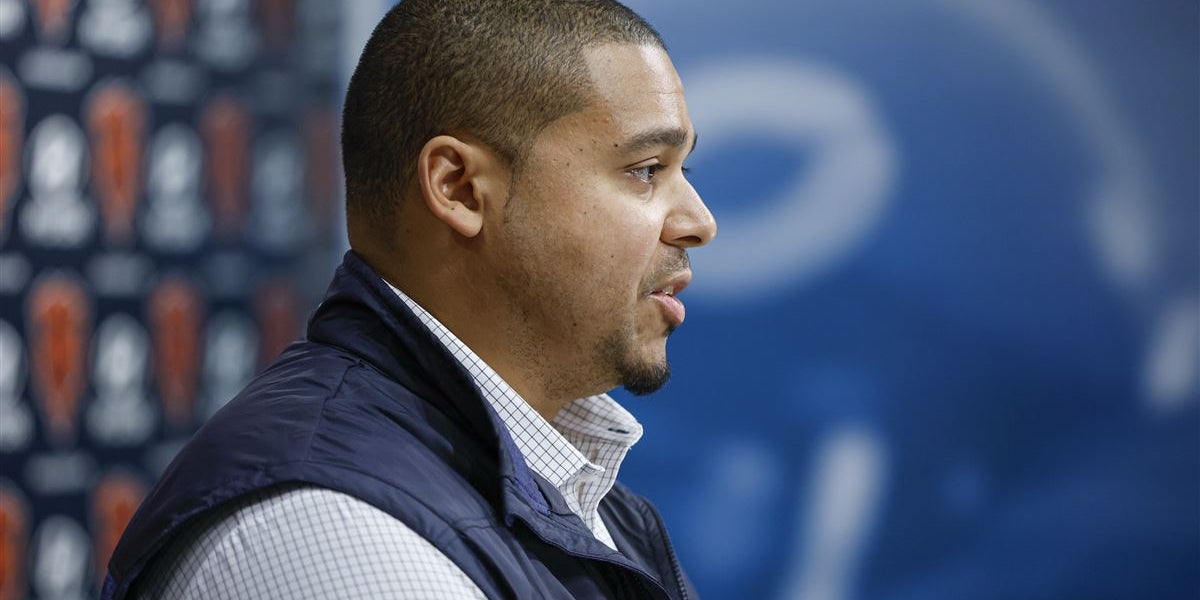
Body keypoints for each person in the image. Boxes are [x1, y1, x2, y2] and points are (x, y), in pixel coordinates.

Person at [103, 0, 716, 597]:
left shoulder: (579, 492)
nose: (699, 222)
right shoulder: (332, 531)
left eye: (684, 170)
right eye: (646, 169)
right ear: (459, 188)